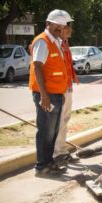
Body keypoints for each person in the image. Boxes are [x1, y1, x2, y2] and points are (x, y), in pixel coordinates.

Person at [29, 9, 70, 176]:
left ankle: (49, 161)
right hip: (47, 95)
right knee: (45, 130)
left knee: (52, 130)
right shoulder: (42, 41)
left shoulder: (56, 42)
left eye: (63, 25)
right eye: (58, 25)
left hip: (56, 94)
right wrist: (44, 96)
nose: (61, 28)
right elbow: (37, 67)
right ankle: (41, 166)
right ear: (48, 24)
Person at [54, 11, 80, 165]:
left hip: (67, 87)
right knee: (59, 122)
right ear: (61, 27)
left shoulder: (64, 43)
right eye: (68, 26)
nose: (70, 29)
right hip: (59, 89)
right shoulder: (55, 43)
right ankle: (57, 153)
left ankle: (62, 150)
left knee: (64, 120)